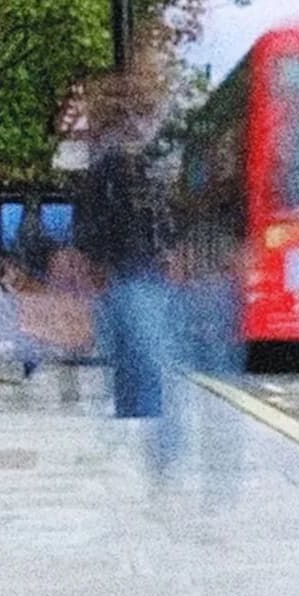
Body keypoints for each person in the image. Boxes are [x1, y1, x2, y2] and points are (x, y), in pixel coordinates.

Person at [73, 71, 188, 473]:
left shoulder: (139, 161)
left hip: (141, 267)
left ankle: (147, 429)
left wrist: (168, 249)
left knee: (141, 348)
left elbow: (157, 214)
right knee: (144, 348)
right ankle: (151, 435)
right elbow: (96, 218)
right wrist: (99, 262)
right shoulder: (113, 163)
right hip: (129, 267)